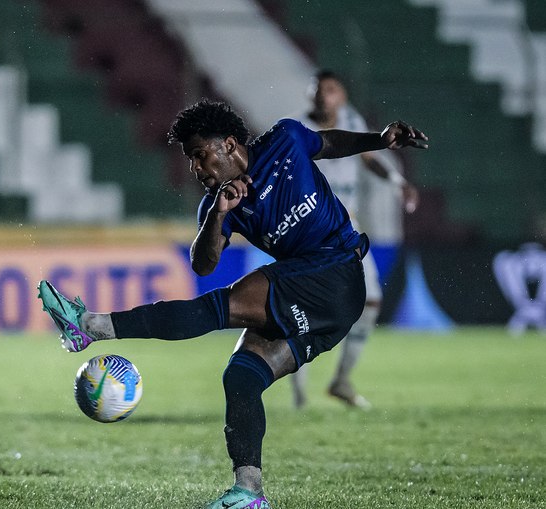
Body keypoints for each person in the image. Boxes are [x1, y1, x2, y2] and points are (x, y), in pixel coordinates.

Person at [37, 99, 427, 509]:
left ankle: (93, 326)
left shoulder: (286, 139)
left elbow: (328, 142)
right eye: (190, 160)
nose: (195, 168)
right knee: (242, 376)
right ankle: (249, 492)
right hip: (326, 307)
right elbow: (202, 263)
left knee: (220, 308)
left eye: (200, 155)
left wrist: (379, 140)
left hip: (334, 272)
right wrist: (220, 216)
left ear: (228, 145)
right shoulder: (220, 204)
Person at [288, 69, 420, 409]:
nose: (322, 95)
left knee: (371, 303)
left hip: (347, 231)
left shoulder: (349, 119)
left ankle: (342, 380)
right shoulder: (297, 130)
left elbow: (368, 158)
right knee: (302, 309)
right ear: (309, 95)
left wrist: (396, 180)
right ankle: (299, 391)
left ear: (341, 96)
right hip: (311, 232)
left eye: (330, 89)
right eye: (317, 89)